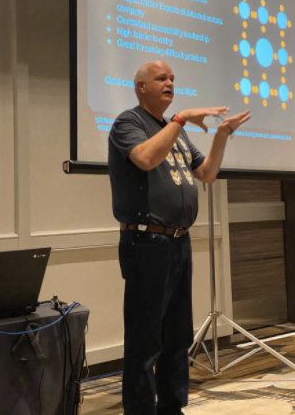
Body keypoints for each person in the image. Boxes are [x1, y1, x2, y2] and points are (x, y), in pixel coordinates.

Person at [108, 60, 250, 415]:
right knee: (145, 339)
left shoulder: (176, 132)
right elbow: (143, 158)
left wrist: (222, 135)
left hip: (178, 242)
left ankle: (172, 407)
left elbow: (207, 173)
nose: (170, 82)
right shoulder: (129, 123)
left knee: (177, 335)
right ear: (141, 86)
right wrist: (181, 118)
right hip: (146, 243)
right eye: (161, 78)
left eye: (172, 78)